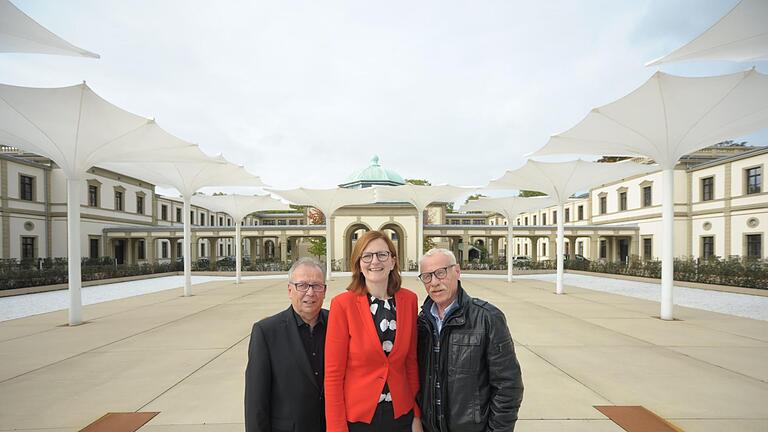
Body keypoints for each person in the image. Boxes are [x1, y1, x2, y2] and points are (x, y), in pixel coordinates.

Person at [416, 248, 524, 432]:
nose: (434, 282)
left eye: (440, 273)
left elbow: (508, 386)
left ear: (457, 271)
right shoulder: (421, 323)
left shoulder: (487, 318)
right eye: (427, 276)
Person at [325, 230, 422, 432]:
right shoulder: (343, 305)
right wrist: (336, 428)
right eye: (367, 256)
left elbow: (411, 363)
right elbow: (333, 375)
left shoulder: (409, 300)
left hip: (401, 415)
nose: (374, 261)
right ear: (358, 263)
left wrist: (416, 415)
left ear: (393, 261)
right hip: (359, 420)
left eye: (382, 255)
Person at [245, 257, 328, 432]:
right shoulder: (266, 332)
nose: (310, 292)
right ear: (290, 290)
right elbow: (256, 401)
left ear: (325, 290)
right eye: (302, 285)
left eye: (316, 286)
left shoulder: (338, 324)